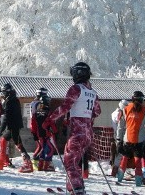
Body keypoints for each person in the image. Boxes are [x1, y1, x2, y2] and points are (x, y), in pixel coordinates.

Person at [42, 62, 101, 195]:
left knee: (70, 163)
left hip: (77, 133)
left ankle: (77, 190)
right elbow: (97, 111)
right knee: (74, 162)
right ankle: (75, 188)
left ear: (77, 74)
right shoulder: (93, 92)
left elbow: (65, 107)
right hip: (87, 134)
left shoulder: (76, 89)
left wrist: (50, 119)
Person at [0, 83, 33, 172]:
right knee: (9, 141)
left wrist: (1, 129)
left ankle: (27, 163)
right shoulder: (14, 99)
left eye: (3, 92)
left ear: (7, 92)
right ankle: (1, 161)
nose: (3, 94)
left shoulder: (9, 101)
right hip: (15, 125)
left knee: (14, 142)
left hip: (12, 126)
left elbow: (6, 116)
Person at [116, 90, 145, 186]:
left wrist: (118, 140)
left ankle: (119, 178)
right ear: (141, 100)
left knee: (125, 158)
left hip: (127, 138)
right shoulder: (144, 110)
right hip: (139, 140)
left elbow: (120, 126)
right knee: (138, 161)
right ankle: (138, 182)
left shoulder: (125, 109)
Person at [32, 94, 56, 171]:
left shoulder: (36, 113)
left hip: (39, 134)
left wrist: (34, 133)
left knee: (42, 149)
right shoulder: (48, 112)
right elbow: (52, 123)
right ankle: (47, 166)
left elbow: (33, 124)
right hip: (47, 134)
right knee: (50, 149)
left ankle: (40, 166)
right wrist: (55, 131)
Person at [30, 87, 48, 167]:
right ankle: (35, 161)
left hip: (36, 125)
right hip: (37, 126)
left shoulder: (34, 102)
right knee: (41, 145)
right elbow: (38, 116)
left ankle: (39, 162)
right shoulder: (38, 103)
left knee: (42, 145)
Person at [110, 99, 129, 176]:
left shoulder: (116, 112)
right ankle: (115, 171)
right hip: (120, 135)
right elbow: (120, 126)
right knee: (119, 153)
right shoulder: (119, 113)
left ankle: (116, 170)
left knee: (118, 153)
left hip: (119, 135)